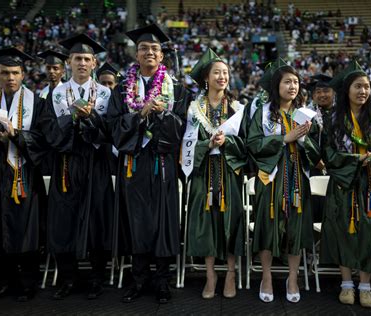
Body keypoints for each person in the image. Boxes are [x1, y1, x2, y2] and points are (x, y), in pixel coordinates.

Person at [107, 23, 191, 304]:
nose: (150, 52)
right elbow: (113, 126)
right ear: (136, 54)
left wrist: (161, 116)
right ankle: (138, 279)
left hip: (163, 163)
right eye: (144, 48)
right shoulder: (121, 88)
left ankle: (162, 281)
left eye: (155, 48)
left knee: (162, 222)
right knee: (136, 221)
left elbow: (181, 129)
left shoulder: (176, 88)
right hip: (133, 162)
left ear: (162, 55)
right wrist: (140, 114)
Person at [315, 61, 371, 308]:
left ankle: (365, 285)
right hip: (344, 184)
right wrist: (356, 160)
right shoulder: (333, 120)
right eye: (358, 86)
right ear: (347, 90)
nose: (363, 91)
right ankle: (346, 284)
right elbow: (328, 156)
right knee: (344, 232)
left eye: (367, 87)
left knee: (369, 233)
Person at [42, 33, 115, 300]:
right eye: (77, 59)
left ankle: (97, 278)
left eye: (87, 58)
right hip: (67, 163)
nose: (82, 63)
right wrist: (72, 116)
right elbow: (49, 132)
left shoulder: (107, 94)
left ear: (95, 63)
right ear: (69, 62)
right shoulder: (56, 94)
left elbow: (112, 131)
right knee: (65, 221)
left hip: (96, 164)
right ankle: (68, 278)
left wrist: (92, 117)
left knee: (98, 219)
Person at [0, 47, 46, 302]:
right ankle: (1, 280)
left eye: (15, 72)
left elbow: (42, 139)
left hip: (23, 174)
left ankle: (28, 283)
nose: (10, 78)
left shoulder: (37, 104)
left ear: (23, 74)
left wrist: (15, 134)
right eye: (5, 73)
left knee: (26, 229)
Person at [246, 58, 313, 304]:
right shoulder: (262, 114)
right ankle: (266, 277)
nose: (292, 86)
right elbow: (252, 144)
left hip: (297, 179)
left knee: (295, 230)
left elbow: (317, 151)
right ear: (277, 86)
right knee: (267, 228)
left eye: (296, 82)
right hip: (270, 178)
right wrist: (284, 138)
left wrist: (304, 139)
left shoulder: (305, 114)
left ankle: (293, 278)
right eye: (287, 82)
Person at [181, 48, 247, 299]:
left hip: (229, 171)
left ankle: (230, 273)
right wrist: (207, 145)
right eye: (217, 72)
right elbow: (186, 143)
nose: (222, 77)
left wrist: (227, 143)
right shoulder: (193, 109)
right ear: (206, 78)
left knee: (230, 221)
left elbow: (246, 145)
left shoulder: (238, 108)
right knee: (205, 222)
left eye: (225, 73)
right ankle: (210, 275)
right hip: (203, 172)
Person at [306, 74, 334, 222]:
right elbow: (303, 141)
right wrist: (316, 160)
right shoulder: (306, 114)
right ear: (313, 95)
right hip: (314, 168)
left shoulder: (341, 114)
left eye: (326, 90)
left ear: (334, 92)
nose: (322, 94)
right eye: (318, 91)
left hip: (337, 168)